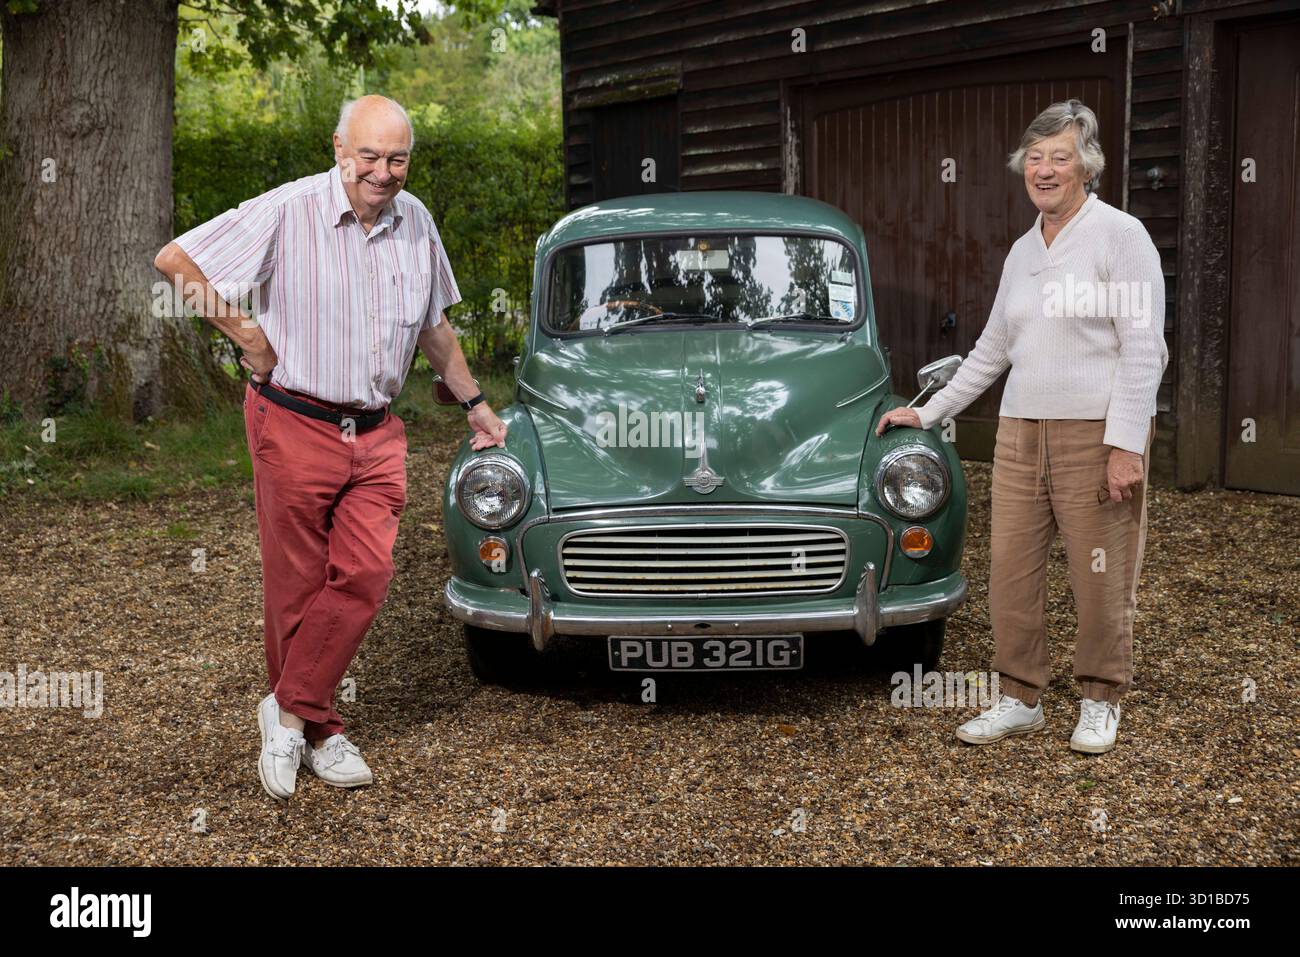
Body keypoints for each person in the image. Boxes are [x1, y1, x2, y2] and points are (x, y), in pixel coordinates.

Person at [154, 95, 507, 798]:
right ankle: (322, 729)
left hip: (376, 431)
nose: (383, 172)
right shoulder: (288, 210)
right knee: (297, 585)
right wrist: (246, 335)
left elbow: (432, 326)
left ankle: (286, 710)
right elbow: (177, 260)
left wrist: (475, 402)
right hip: (294, 420)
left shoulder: (417, 223)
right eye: (369, 156)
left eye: (397, 158)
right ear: (340, 150)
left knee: (366, 575)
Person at [876, 100, 1167, 754]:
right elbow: (991, 350)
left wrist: (1125, 443)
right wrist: (926, 412)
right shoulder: (1020, 250)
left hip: (1095, 432)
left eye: (1059, 157)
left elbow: (1144, 347)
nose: (1044, 169)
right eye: (1034, 158)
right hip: (1019, 434)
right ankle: (1019, 698)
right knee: (1009, 569)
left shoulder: (1121, 237)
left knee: (1100, 573)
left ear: (1085, 165)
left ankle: (1100, 697)